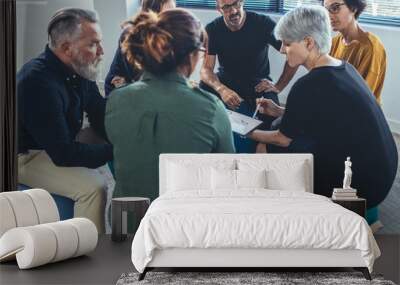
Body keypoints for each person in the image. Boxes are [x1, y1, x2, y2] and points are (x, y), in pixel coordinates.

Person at [248, 5, 398, 222]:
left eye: (287, 43)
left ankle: (274, 214)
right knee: (277, 122)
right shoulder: (344, 68)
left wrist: (248, 131)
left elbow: (282, 139)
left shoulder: (308, 85)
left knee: (265, 143)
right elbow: (325, 114)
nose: (281, 49)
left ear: (309, 42)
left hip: (362, 186)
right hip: (383, 172)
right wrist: (279, 110)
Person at [105, 9, 235, 201]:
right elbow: (228, 174)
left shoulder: (116, 99)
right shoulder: (211, 108)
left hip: (125, 217)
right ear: (192, 55)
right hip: (181, 220)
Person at [17, 8, 113, 233]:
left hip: (52, 144)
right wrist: (116, 151)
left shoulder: (79, 69)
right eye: (93, 44)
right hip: (24, 156)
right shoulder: (37, 82)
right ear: (67, 48)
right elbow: (63, 154)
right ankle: (90, 252)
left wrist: (129, 136)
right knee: (94, 187)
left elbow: (100, 113)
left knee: (100, 140)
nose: (101, 51)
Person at [200, 0, 298, 153]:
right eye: (226, 7)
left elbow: (293, 52)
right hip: (227, 82)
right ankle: (209, 138)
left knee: (274, 125)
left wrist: (278, 87)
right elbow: (206, 69)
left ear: (242, 2)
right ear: (219, 8)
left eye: (236, 4)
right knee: (204, 86)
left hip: (258, 84)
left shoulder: (263, 23)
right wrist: (221, 89)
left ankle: (261, 146)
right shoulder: (212, 29)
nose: (233, 11)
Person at [104, 0, 176, 96]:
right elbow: (141, 77)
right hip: (120, 88)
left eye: (174, 12)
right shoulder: (131, 35)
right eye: (167, 14)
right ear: (152, 14)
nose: (173, 18)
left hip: (142, 86)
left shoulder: (166, 33)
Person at [323, 0, 386, 105]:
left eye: (335, 8)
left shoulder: (371, 47)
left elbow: (361, 98)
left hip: (359, 116)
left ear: (353, 8)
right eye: (326, 10)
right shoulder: (334, 43)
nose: (329, 15)